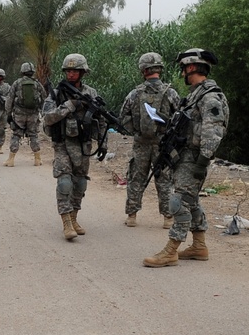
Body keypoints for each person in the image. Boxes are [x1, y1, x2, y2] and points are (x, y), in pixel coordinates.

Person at [144, 48, 229, 267]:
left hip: (195, 157)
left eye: (183, 68)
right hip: (186, 155)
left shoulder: (209, 96)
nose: (182, 73)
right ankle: (199, 246)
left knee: (178, 201)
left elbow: (213, 131)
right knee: (191, 200)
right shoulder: (195, 94)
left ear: (191, 67)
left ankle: (171, 250)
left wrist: (202, 162)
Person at [41, 53, 107, 240]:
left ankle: (74, 216)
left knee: (80, 183)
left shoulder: (91, 93)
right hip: (62, 144)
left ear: (82, 72)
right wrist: (69, 105)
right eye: (68, 71)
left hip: (83, 145)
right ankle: (66, 223)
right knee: (64, 182)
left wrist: (103, 143)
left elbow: (101, 120)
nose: (71, 74)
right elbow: (47, 117)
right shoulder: (56, 93)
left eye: (75, 71)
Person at [119, 52, 181, 229]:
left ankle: (132, 216)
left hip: (141, 143)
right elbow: (179, 118)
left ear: (143, 70)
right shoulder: (171, 93)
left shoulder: (134, 94)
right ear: (159, 69)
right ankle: (168, 218)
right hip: (163, 144)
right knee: (164, 180)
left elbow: (123, 117)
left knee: (136, 178)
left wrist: (136, 131)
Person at [4, 62, 46, 167]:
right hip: (33, 114)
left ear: (22, 71)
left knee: (16, 135)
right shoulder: (37, 83)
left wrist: (8, 113)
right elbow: (44, 97)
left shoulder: (17, 83)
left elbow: (10, 99)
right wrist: (41, 111)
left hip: (19, 114)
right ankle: (37, 159)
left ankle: (11, 160)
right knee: (33, 135)